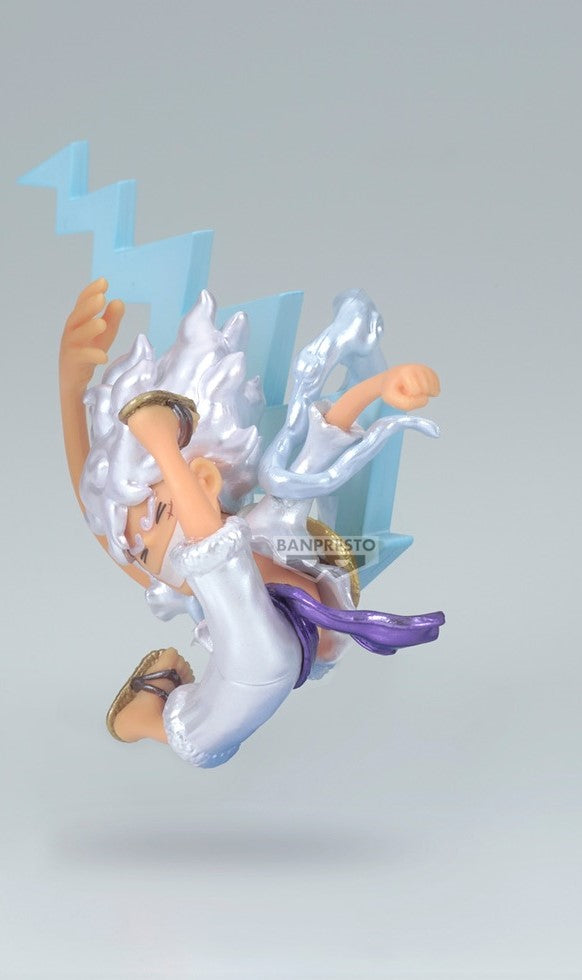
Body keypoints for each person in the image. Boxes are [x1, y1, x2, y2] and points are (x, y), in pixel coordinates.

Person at [59, 277, 444, 768]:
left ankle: (147, 708)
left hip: (267, 658)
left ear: (203, 478)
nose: (150, 554)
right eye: (143, 552)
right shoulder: (199, 577)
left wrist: (379, 387)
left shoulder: (260, 527)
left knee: (226, 573)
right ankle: (142, 717)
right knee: (203, 735)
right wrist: (71, 388)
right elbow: (121, 529)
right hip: (241, 683)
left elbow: (320, 445)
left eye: (158, 514)